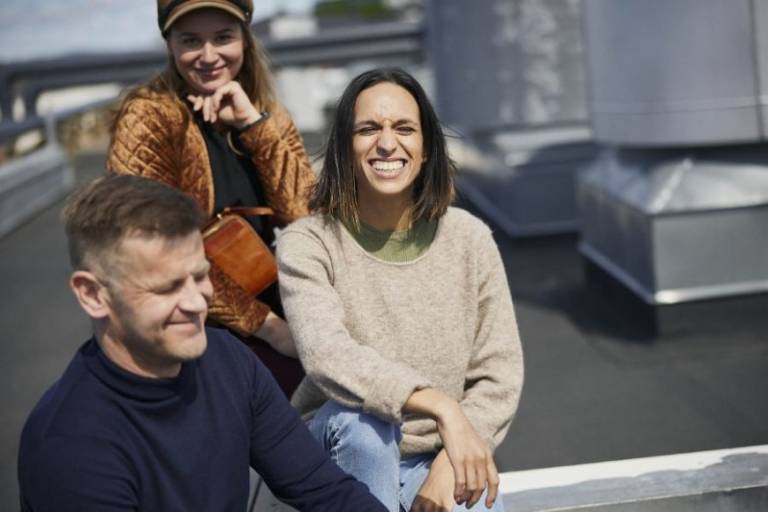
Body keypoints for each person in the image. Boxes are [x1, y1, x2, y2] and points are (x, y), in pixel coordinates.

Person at [17, 175, 386, 512]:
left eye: (201, 276)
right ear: (93, 295)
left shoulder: (227, 358)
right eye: (167, 288)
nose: (197, 303)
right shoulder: (70, 447)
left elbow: (323, 489)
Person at [277, 68, 524, 512]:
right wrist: (442, 407)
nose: (387, 143)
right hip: (337, 446)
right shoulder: (309, 243)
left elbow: (499, 373)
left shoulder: (470, 239)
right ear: (344, 147)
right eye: (368, 129)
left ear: (427, 148)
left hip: (436, 452)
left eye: (404, 128)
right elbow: (327, 355)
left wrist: (449, 461)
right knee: (365, 428)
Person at [107, 0, 312, 395]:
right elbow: (155, 248)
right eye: (190, 40)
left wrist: (253, 126)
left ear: (245, 40)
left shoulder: (266, 113)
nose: (208, 55)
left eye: (222, 38)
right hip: (189, 319)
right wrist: (269, 327)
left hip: (272, 301)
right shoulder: (149, 118)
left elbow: (306, 217)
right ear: (170, 45)